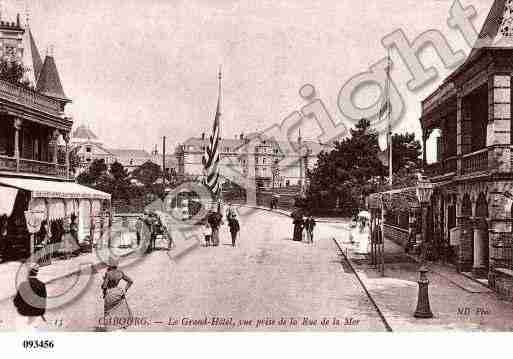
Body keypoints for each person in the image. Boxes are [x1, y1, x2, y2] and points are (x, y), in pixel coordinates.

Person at [100, 258, 133, 331]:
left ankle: (110, 327)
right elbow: (130, 281)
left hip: (110, 293)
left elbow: (104, 286)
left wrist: (104, 292)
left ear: (110, 265)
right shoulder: (120, 272)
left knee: (108, 311)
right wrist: (125, 289)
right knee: (123, 307)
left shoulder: (108, 273)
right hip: (118, 292)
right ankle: (123, 324)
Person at [13, 263, 47, 330]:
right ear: (36, 273)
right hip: (37, 313)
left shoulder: (23, 285)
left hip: (24, 312)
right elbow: (43, 303)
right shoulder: (42, 285)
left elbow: (16, 302)